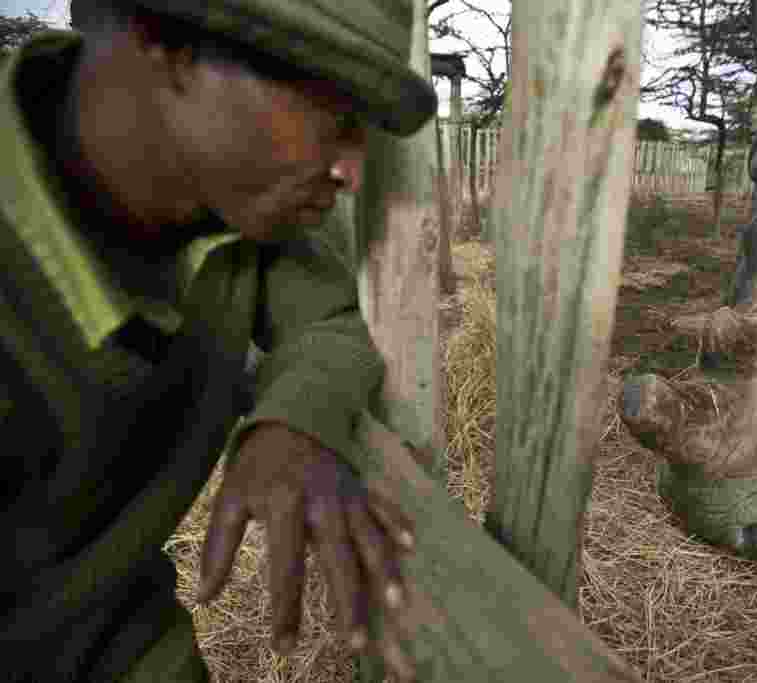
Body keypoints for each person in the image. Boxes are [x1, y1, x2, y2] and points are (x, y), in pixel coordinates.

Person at [1, 1, 438, 680]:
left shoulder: (241, 211)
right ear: (169, 41)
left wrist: (295, 419)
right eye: (335, 115)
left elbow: (330, 319)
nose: (353, 171)